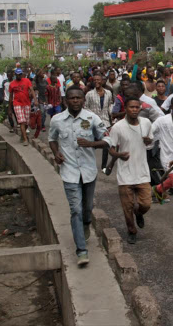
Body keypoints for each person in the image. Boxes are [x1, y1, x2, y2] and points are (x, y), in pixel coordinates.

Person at [49, 86, 111, 265]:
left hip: (89, 172)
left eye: (78, 98)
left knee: (87, 208)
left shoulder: (92, 118)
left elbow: (107, 140)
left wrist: (91, 144)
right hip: (69, 172)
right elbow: (52, 139)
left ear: (83, 100)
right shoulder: (57, 120)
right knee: (75, 209)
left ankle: (85, 225)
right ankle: (81, 251)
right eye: (72, 98)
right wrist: (56, 153)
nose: (75, 101)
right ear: (65, 100)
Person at [108, 97, 153, 244]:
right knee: (127, 207)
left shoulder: (146, 123)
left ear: (140, 108)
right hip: (125, 173)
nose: (134, 109)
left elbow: (150, 142)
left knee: (146, 204)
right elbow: (111, 149)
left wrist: (149, 141)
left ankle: (139, 213)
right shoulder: (118, 127)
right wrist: (119, 155)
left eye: (136, 107)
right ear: (125, 109)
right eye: (131, 107)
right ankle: (131, 230)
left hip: (142, 172)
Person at [85, 73, 114, 173]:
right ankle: (90, 165)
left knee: (106, 143)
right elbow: (86, 107)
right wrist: (92, 116)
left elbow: (110, 104)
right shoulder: (89, 94)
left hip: (105, 121)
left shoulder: (108, 93)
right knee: (92, 144)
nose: (97, 82)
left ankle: (103, 166)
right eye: (95, 80)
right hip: (93, 122)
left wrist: (112, 114)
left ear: (102, 81)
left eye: (98, 80)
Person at [9, 68, 38, 146]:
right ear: (15, 75)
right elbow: (11, 96)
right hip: (17, 104)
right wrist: (9, 108)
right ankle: (25, 139)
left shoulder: (27, 81)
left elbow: (31, 90)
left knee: (26, 122)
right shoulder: (12, 84)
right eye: (18, 74)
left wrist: (35, 100)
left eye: (20, 74)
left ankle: (23, 134)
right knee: (22, 121)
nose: (19, 76)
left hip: (26, 103)